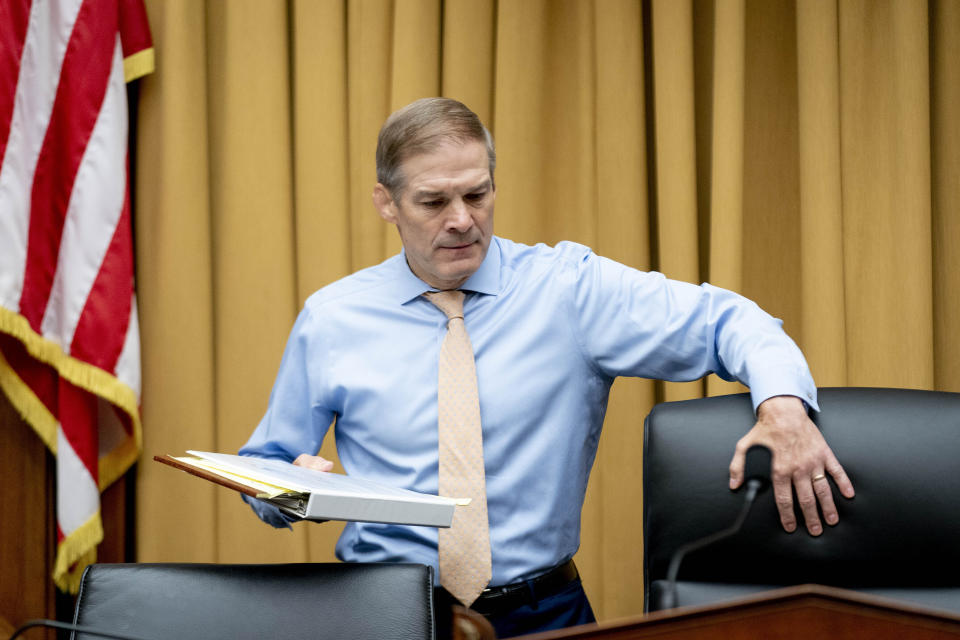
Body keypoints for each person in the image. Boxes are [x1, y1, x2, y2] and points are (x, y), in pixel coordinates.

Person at [239, 97, 855, 638]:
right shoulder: (333, 318)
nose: (461, 220)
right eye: (433, 201)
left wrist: (782, 406)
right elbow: (264, 463)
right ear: (386, 202)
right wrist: (290, 487)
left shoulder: (570, 292)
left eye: (477, 194)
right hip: (383, 612)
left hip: (544, 611)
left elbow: (734, 322)